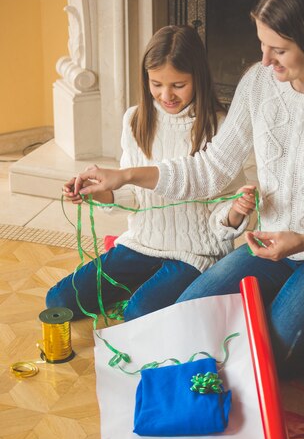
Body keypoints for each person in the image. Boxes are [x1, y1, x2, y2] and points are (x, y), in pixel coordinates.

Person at [72, 0, 304, 377]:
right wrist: (123, 176)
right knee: (188, 319)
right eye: (262, 45)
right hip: (270, 245)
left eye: (278, 50)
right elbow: (210, 169)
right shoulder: (258, 83)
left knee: (273, 359)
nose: (265, 61)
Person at [46, 25, 255, 321]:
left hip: (194, 254)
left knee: (139, 313)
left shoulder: (220, 127)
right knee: (59, 300)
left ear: (198, 77)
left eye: (178, 85)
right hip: (142, 242)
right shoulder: (135, 120)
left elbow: (225, 208)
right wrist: (99, 191)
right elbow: (133, 194)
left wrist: (235, 212)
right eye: (156, 84)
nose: (166, 95)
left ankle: (150, 292)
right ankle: (146, 286)